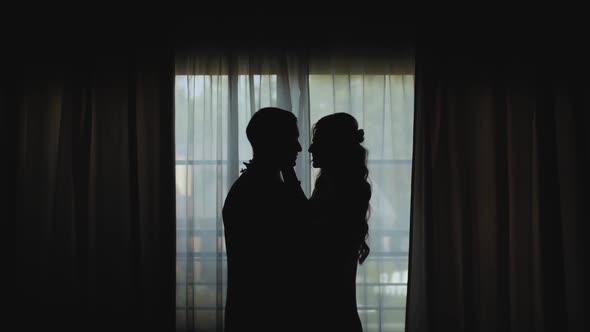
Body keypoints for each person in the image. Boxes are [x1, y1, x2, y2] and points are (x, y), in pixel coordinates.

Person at [222, 107, 307, 332]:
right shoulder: (263, 191)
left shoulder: (251, 186)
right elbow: (305, 230)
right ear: (274, 141)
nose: (299, 147)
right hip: (267, 316)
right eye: (293, 139)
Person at [305, 112, 371, 332]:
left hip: (331, 310)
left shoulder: (344, 191)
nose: (310, 149)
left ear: (335, 147)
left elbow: (309, 231)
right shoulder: (334, 185)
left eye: (317, 143)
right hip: (335, 307)